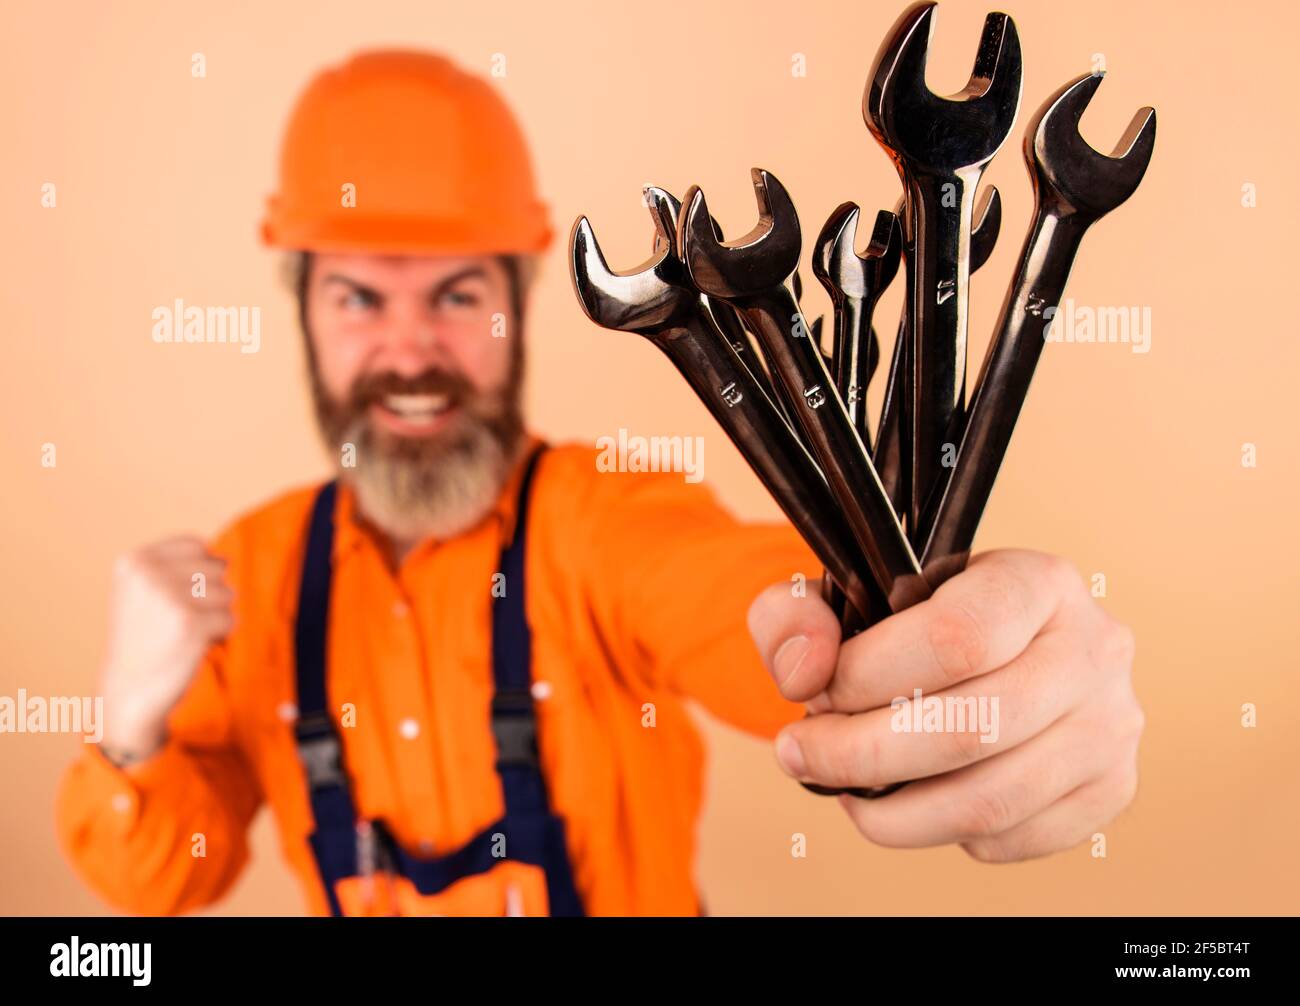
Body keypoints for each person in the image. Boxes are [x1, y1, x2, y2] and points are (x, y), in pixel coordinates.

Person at [56, 49, 1142, 916]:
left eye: (455, 293)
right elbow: (163, 878)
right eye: (356, 297)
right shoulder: (243, 580)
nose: (409, 349)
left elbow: (776, 618)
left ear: (517, 307)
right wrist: (129, 726)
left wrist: (973, 658)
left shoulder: (602, 522)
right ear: (301, 314)